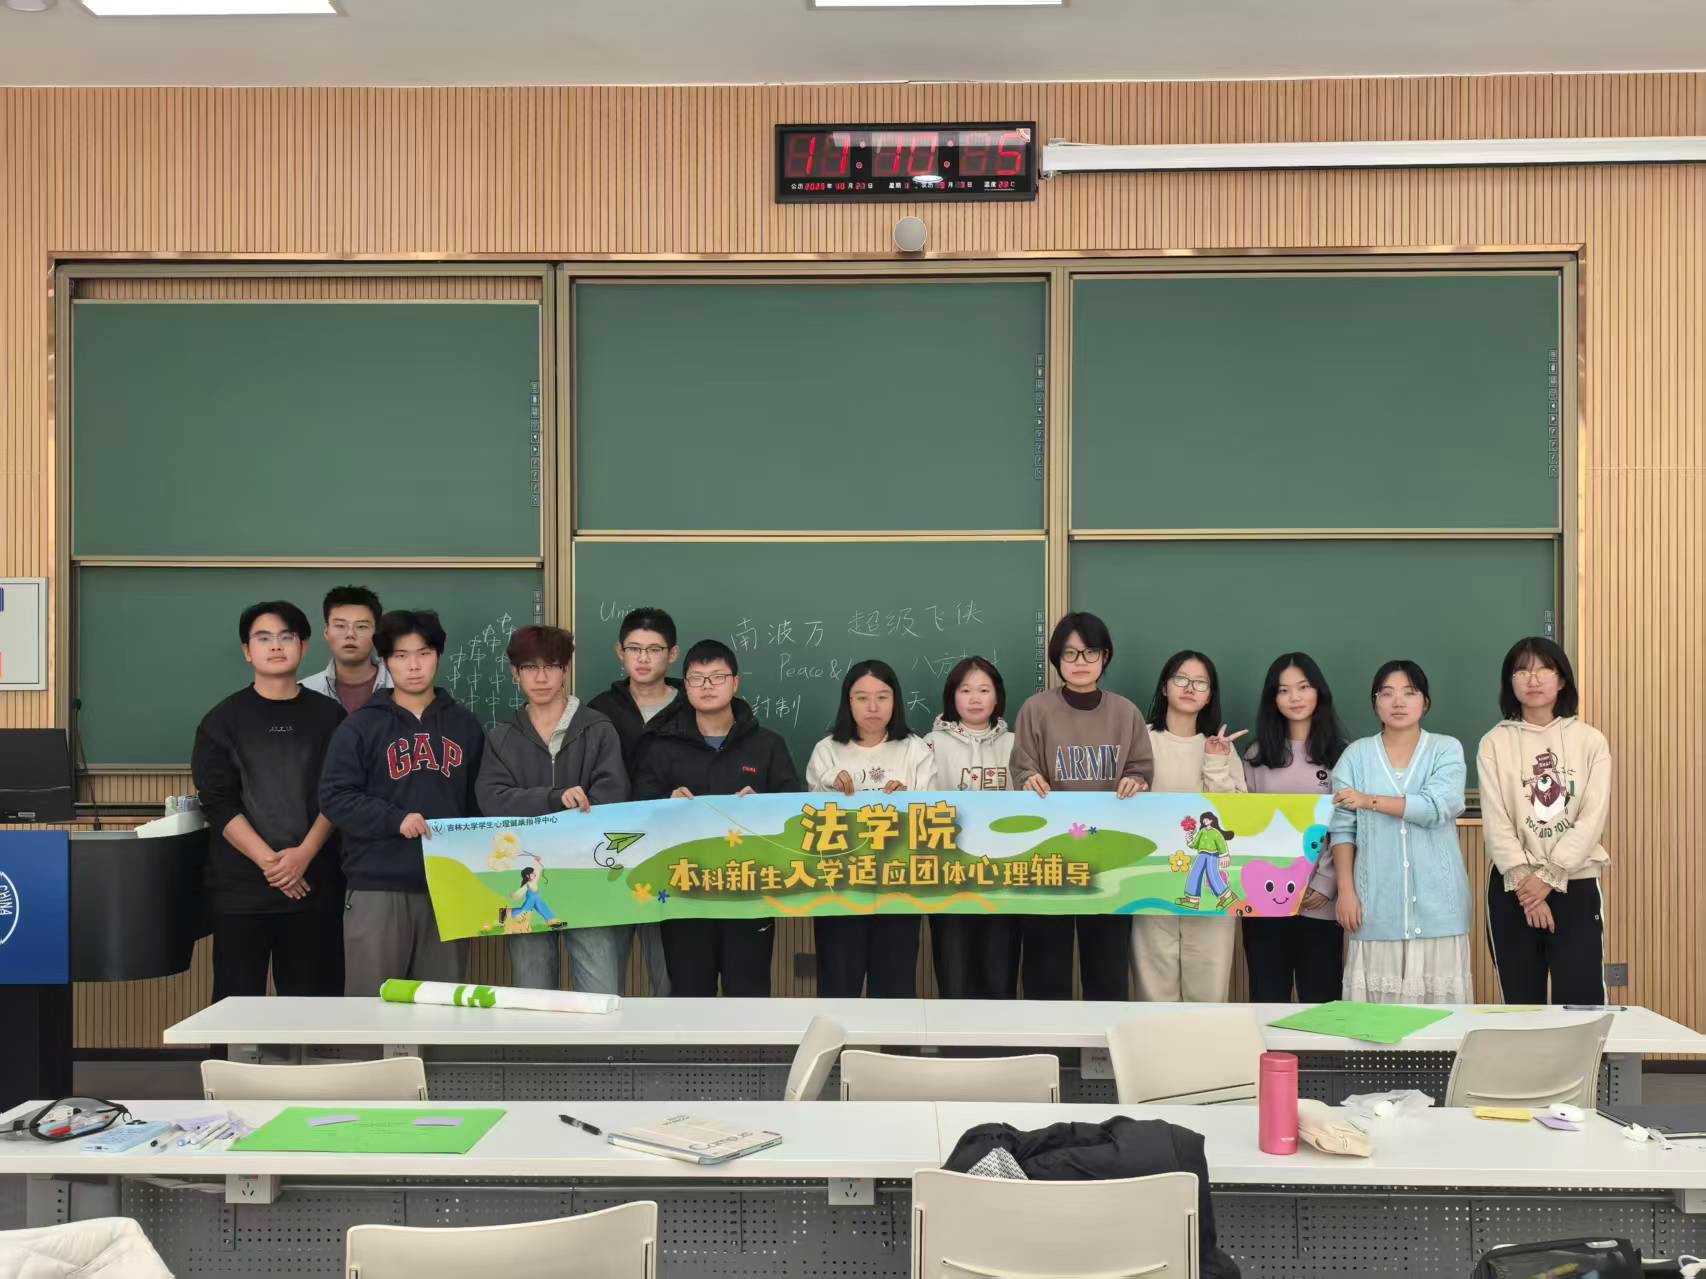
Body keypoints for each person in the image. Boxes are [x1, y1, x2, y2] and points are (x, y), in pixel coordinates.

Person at [319, 608, 486, 995]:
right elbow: (334, 797)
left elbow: (479, 803)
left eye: (424, 653)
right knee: (372, 1004)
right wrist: (395, 819)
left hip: (448, 887)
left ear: (438, 656)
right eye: (401, 655)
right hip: (378, 886)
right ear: (385, 662)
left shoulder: (465, 725)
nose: (414, 666)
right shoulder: (360, 725)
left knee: (442, 1006)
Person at [191, 600, 346, 999]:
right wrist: (273, 864)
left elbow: (340, 792)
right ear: (247, 650)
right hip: (242, 892)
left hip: (314, 886)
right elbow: (218, 802)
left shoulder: (332, 717)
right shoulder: (222, 720)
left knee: (314, 1008)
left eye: (286, 637)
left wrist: (302, 856)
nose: (275, 646)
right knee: (236, 1007)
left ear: (304, 646)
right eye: (263, 638)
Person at [631, 639, 799, 996]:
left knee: (749, 995)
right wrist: (666, 803)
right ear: (685, 686)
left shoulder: (768, 745)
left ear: (735, 683)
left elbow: (793, 816)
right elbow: (638, 812)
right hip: (684, 895)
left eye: (717, 677)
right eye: (697, 678)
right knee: (690, 994)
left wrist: (763, 806)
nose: (707, 686)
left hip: (750, 894)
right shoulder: (662, 746)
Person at [475, 625, 629, 993]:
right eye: (530, 667)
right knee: (532, 988)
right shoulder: (502, 737)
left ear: (566, 670)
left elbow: (613, 797)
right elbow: (492, 799)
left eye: (551, 666)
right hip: (524, 877)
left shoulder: (598, 729)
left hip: (588, 877)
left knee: (600, 988)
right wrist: (554, 798)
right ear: (515, 673)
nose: (541, 677)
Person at [1009, 612, 1153, 1002]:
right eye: (1070, 653)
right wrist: (1028, 779)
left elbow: (1141, 768)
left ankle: (1102, 1041)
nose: (1080, 662)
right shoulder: (1036, 709)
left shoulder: (1126, 713)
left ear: (1105, 657)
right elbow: (1022, 766)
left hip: (1110, 858)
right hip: (1049, 856)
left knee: (1107, 965)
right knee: (1045, 964)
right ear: (1057, 659)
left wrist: (1137, 780)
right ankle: (1048, 1039)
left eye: (1090, 652)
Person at [1478, 636, 1611, 1004]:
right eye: (1522, 671)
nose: (1532, 679)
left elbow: (1592, 817)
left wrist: (1550, 877)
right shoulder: (1494, 743)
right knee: (1521, 1004)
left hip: (1575, 881)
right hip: (1513, 887)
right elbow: (1496, 822)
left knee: (1581, 1000)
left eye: (1543, 670)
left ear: (1562, 679)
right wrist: (1530, 890)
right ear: (1509, 682)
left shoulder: (1590, 741)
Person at [1331, 660, 1472, 1004]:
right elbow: (1342, 828)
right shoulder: (1355, 756)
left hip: (1439, 909)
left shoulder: (1445, 749)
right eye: (1387, 693)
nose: (1398, 702)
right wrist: (1346, 891)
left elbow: (1437, 807)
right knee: (1377, 1021)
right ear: (1375, 702)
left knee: (1439, 1021)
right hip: (1376, 908)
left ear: (1425, 702)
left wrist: (1369, 800)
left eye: (1409, 693)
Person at [805, 659, 937, 999]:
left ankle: (892, 1038)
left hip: (898, 887)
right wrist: (828, 783)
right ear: (848, 702)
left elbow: (932, 814)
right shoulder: (826, 751)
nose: (873, 707)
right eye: (862, 698)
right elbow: (808, 822)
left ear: (896, 700)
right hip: (840, 888)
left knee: (895, 989)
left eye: (882, 697)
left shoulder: (915, 749)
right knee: (838, 986)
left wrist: (907, 802)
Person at [1135, 650, 1248, 1002]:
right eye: (1181, 679)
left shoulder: (1220, 747)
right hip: (1150, 881)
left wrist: (1215, 762)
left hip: (1211, 886)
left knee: (1208, 988)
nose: (1189, 688)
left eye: (1200, 683)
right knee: (1154, 986)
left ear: (1210, 695)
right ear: (1164, 687)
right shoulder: (1141, 740)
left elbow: (1236, 815)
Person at [1240, 652, 1349, 1003]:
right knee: (1266, 995)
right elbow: (1245, 826)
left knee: (1321, 998)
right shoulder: (1256, 756)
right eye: (1284, 690)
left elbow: (1345, 825)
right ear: (1273, 698)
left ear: (1319, 692)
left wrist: (1326, 881)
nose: (1295, 698)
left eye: (1303, 687)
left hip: (1320, 901)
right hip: (1266, 902)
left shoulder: (1343, 755)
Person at [586, 605, 682, 996]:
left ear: (672, 654)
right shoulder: (597, 711)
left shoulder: (692, 708)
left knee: (671, 976)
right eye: (634, 649)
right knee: (605, 974)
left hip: (673, 857)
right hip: (610, 856)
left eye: (654, 649)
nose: (643, 658)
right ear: (619, 652)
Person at [927, 655, 1020, 999]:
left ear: (998, 696)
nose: (975, 698)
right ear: (952, 696)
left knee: (1000, 974)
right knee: (955, 975)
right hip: (949, 877)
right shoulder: (930, 744)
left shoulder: (1015, 744)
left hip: (1003, 877)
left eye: (984, 690)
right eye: (965, 690)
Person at [299, 585, 391, 714]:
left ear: (376, 633)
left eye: (361, 626)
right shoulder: (304, 691)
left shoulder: (400, 687)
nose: (350, 634)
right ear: (326, 632)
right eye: (340, 626)